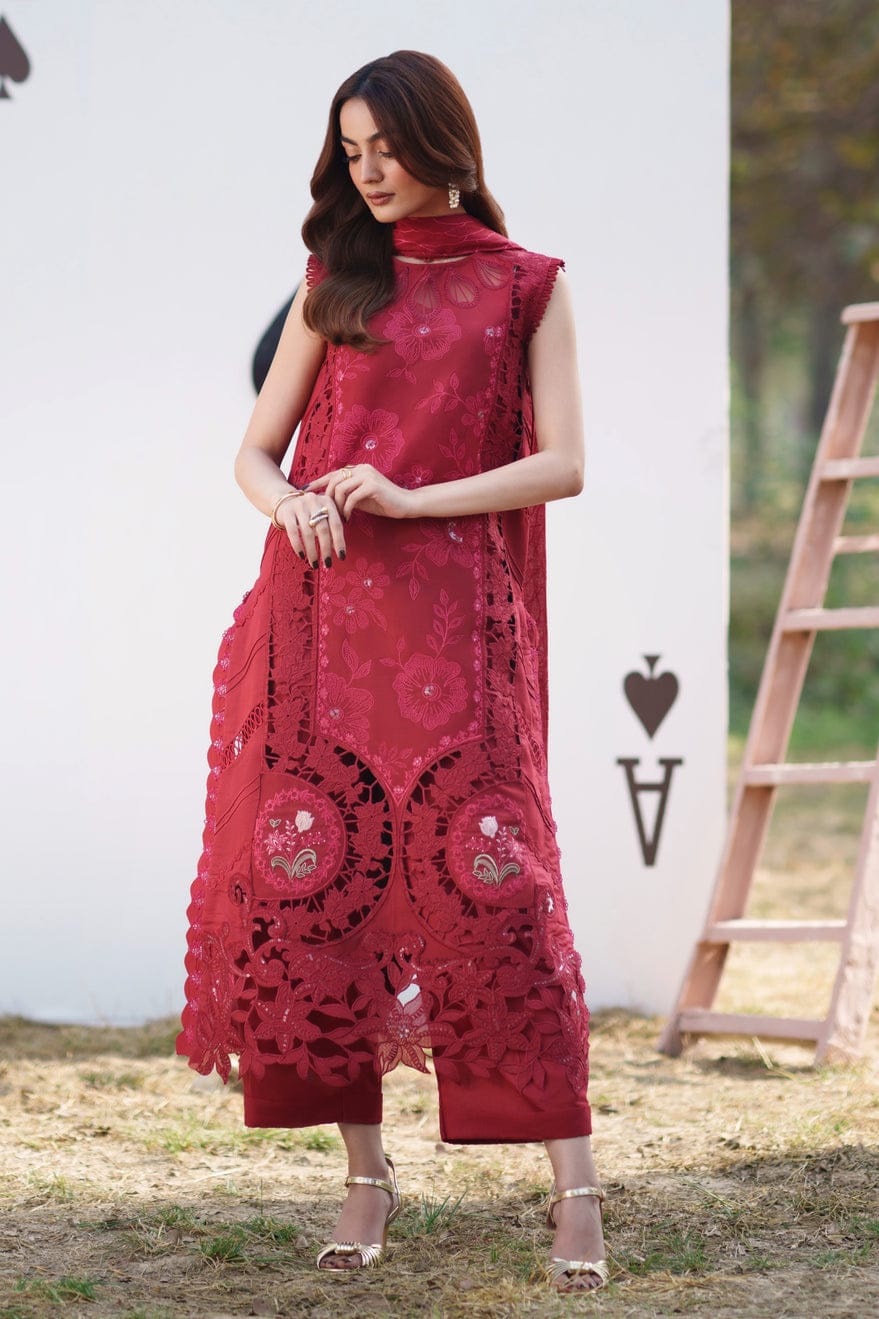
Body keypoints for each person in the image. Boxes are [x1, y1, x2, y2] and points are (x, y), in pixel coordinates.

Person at [176, 49, 607, 1295]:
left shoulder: (528, 285)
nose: (368, 171)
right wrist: (294, 501)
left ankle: (575, 1186)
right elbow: (255, 454)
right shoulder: (335, 280)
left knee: (503, 895)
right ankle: (367, 1176)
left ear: (444, 144)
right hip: (322, 630)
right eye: (351, 150)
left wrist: (413, 498)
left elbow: (565, 464)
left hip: (461, 630)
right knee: (329, 898)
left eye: (387, 147)